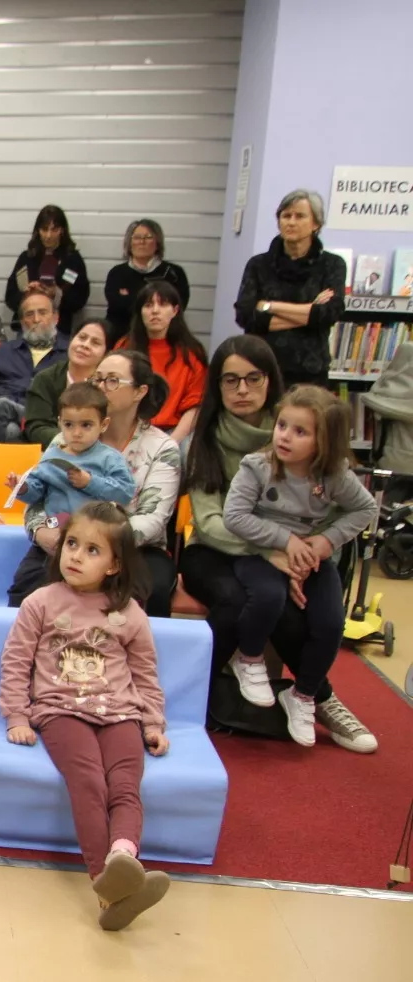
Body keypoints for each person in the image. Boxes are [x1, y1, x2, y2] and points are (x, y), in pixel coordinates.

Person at [179, 335, 376, 753]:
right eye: (230, 380)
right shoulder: (205, 438)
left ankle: (309, 696)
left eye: (253, 378)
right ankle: (189, 699)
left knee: (307, 611)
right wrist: (275, 551)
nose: (242, 390)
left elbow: (349, 509)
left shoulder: (311, 428)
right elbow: (213, 523)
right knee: (243, 600)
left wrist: (314, 546)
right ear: (217, 386)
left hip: (287, 553)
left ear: (271, 381)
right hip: (216, 551)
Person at [0, 501, 172, 931]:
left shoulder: (130, 613)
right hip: (61, 711)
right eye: (71, 544)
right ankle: (104, 880)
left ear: (115, 565)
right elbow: (16, 662)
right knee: (89, 781)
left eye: (92, 551)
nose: (75, 555)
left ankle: (122, 857)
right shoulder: (41, 601)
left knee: (126, 786)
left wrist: (152, 723)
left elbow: (145, 674)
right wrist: (17, 715)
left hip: (120, 713)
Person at [223, 385, 375, 743]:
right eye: (282, 425)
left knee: (331, 622)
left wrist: (325, 541)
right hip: (260, 552)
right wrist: (285, 540)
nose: (285, 437)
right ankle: (248, 658)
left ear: (324, 442)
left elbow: (366, 508)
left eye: (300, 431)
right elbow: (235, 517)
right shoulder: (257, 466)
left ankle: (304, 695)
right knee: (267, 597)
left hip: (311, 556)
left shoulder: (334, 475)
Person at [12, 349, 183, 616]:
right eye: (97, 379)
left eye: (112, 380)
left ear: (139, 392)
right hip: (65, 538)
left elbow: (153, 518)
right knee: (28, 586)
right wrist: (39, 529)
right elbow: (39, 495)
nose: (101, 387)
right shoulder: (66, 439)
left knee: (150, 591)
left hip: (132, 547)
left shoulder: (162, 448)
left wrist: (97, 543)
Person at [234, 189, 347, 388]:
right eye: (286, 216)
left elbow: (328, 315)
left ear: (316, 224)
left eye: (300, 216)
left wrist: (268, 306)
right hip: (261, 367)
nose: (291, 222)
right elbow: (245, 316)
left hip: (310, 370)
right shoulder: (258, 264)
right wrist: (309, 312)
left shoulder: (332, 264)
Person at [14, 383, 135, 520]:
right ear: (60, 423)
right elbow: (38, 494)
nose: (77, 433)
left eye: (86, 425)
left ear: (103, 425)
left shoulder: (110, 458)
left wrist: (89, 482)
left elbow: (125, 493)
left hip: (94, 532)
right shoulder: (51, 455)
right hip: (54, 530)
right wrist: (23, 488)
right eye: (69, 425)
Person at [0, 289, 70, 443]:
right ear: (22, 322)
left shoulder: (68, 354)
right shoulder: (5, 351)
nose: (36, 319)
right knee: (11, 429)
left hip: (44, 420)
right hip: (4, 420)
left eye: (42, 312)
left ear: (56, 318)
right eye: (29, 314)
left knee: (2, 406)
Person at [120, 280, 206, 441]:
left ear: (175, 310)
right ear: (140, 312)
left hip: (175, 432)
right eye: (148, 305)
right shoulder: (124, 347)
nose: (155, 311)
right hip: (130, 429)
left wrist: (172, 442)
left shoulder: (192, 353)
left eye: (163, 304)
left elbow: (195, 406)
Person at [21, 318, 112, 447]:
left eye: (95, 343)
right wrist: (69, 441)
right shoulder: (46, 378)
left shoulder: (107, 385)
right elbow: (36, 427)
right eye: (82, 337)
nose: (85, 345)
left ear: (106, 354)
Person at [5, 205, 90, 335]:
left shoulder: (72, 260)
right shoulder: (27, 258)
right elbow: (10, 297)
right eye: (44, 229)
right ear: (38, 230)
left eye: (54, 229)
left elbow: (80, 300)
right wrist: (26, 294)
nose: (48, 235)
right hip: (26, 329)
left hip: (59, 330)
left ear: (62, 230)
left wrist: (57, 294)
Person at [103, 219, 192, 342]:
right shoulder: (117, 273)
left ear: (158, 242)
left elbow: (179, 306)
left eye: (148, 237)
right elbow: (117, 307)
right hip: (122, 339)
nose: (142, 242)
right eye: (137, 237)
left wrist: (132, 299)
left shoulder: (174, 273)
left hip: (164, 339)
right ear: (129, 243)